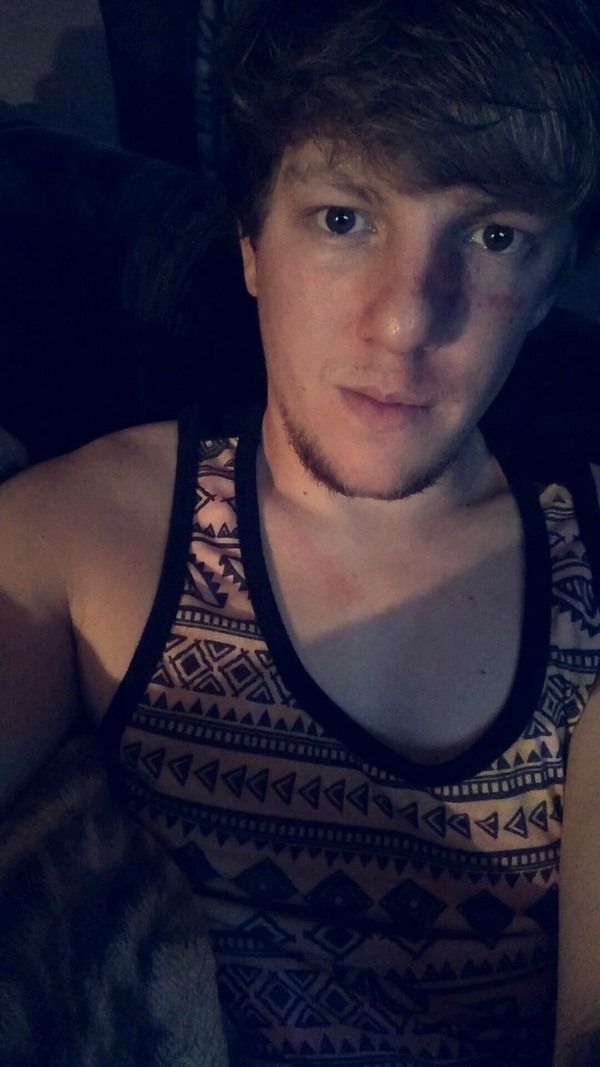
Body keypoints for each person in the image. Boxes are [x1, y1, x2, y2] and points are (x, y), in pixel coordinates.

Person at [1, 0, 600, 1063]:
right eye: (342, 219)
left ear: (551, 282)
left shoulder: (590, 566)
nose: (406, 318)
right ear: (250, 246)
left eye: (494, 236)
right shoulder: (86, 533)